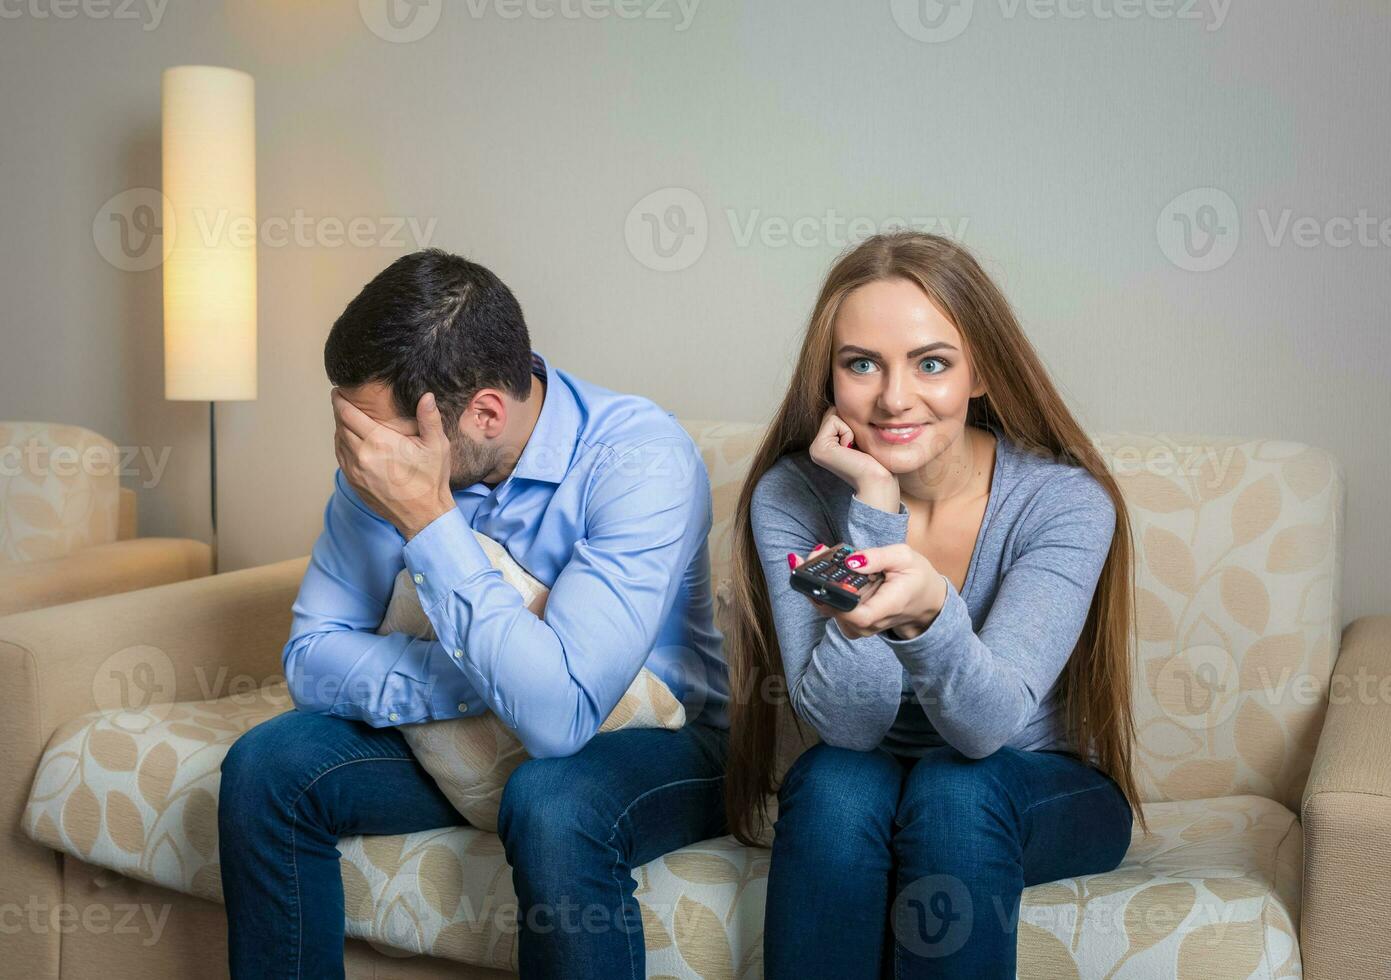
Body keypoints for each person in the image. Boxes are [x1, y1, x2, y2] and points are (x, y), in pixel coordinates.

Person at [217, 248, 729, 979]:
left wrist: (429, 523)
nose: (362, 458)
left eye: (379, 434)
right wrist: (503, 669)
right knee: (268, 765)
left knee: (551, 804)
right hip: (471, 727)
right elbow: (312, 656)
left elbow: (557, 718)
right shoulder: (380, 463)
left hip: (664, 737)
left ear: (485, 412)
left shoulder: (640, 462)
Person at [722, 231, 1145, 978]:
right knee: (830, 782)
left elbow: (985, 729)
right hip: (869, 773)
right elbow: (848, 727)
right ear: (828, 378)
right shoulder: (791, 496)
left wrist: (921, 619)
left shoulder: (1063, 505)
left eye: (931, 363)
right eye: (861, 365)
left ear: (979, 372)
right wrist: (874, 508)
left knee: (955, 788)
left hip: (1033, 782)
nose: (892, 397)